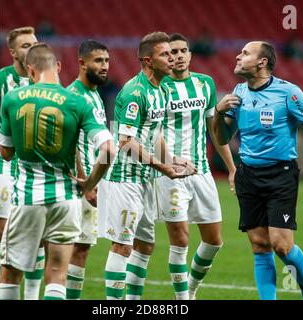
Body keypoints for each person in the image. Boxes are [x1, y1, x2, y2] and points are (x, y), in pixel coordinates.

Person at [0, 43, 115, 300]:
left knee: (10, 273)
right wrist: (89, 182)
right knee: (58, 273)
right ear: (58, 67)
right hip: (66, 198)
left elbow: (6, 152)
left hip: (27, 196)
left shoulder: (13, 98)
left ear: (30, 70)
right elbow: (108, 149)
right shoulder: (76, 101)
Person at [214, 41, 303, 300]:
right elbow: (222, 138)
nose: (238, 56)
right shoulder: (238, 93)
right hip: (248, 175)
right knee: (259, 245)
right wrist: (218, 114)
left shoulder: (288, 93)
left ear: (262, 62)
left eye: (245, 53)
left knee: (282, 246)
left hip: (280, 174)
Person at [98, 31, 196, 300]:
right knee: (122, 245)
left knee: (146, 245)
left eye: (174, 53)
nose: (173, 58)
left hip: (145, 178)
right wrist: (162, 168)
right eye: (165, 54)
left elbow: (156, 135)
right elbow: (126, 141)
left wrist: (172, 160)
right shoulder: (133, 92)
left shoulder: (162, 89)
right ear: (147, 60)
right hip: (124, 178)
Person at [157, 33, 236, 300]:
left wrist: (231, 167)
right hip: (171, 174)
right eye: (171, 52)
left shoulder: (205, 84)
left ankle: (190, 287)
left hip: (202, 172)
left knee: (214, 241)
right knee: (180, 241)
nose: (177, 56)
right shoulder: (159, 86)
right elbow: (150, 132)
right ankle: (183, 300)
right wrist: (166, 161)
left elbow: (214, 130)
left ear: (190, 54)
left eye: (182, 51)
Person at [0, 27, 43, 300]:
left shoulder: (44, 80)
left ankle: (30, 295)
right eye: (25, 45)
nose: (31, 48)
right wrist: (9, 143)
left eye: (34, 43)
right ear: (12, 52)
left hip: (36, 168)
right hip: (4, 165)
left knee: (38, 231)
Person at [65, 40, 110, 300]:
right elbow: (70, 144)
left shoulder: (94, 94)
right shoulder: (73, 95)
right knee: (63, 248)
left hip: (89, 183)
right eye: (98, 61)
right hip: (76, 185)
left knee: (82, 248)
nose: (104, 67)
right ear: (82, 63)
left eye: (106, 61)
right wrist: (86, 182)